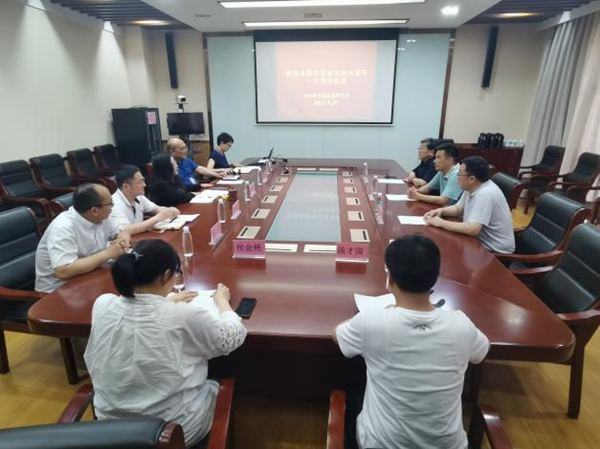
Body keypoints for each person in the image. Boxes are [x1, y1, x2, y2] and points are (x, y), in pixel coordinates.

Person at [84, 239, 247, 448]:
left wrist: (167, 300)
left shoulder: (103, 304)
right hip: (171, 434)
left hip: (109, 431)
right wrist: (222, 301)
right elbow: (231, 338)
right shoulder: (182, 315)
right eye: (177, 273)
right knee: (219, 375)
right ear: (166, 275)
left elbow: (138, 314)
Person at [333, 235, 489, 449]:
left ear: (390, 279)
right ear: (435, 278)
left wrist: (370, 316)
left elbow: (337, 335)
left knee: (354, 394)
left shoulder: (372, 321)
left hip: (380, 444)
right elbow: (480, 353)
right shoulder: (461, 324)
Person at [35, 183, 131, 293]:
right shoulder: (63, 227)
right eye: (110, 204)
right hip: (57, 289)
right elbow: (63, 271)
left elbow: (122, 231)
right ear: (94, 211)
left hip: (90, 275)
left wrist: (123, 240)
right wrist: (107, 253)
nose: (112, 208)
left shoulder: (101, 216)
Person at [424, 156, 516, 254]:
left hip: (494, 252)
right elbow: (458, 209)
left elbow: (472, 229)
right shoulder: (473, 186)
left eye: (460, 173)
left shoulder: (485, 194)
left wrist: (441, 223)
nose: (457, 176)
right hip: (477, 242)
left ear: (471, 179)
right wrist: (440, 211)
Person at [110, 164, 180, 235]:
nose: (144, 185)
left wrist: (168, 211)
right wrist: (157, 218)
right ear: (126, 186)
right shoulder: (114, 203)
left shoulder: (139, 196)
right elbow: (125, 230)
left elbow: (155, 208)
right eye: (140, 182)